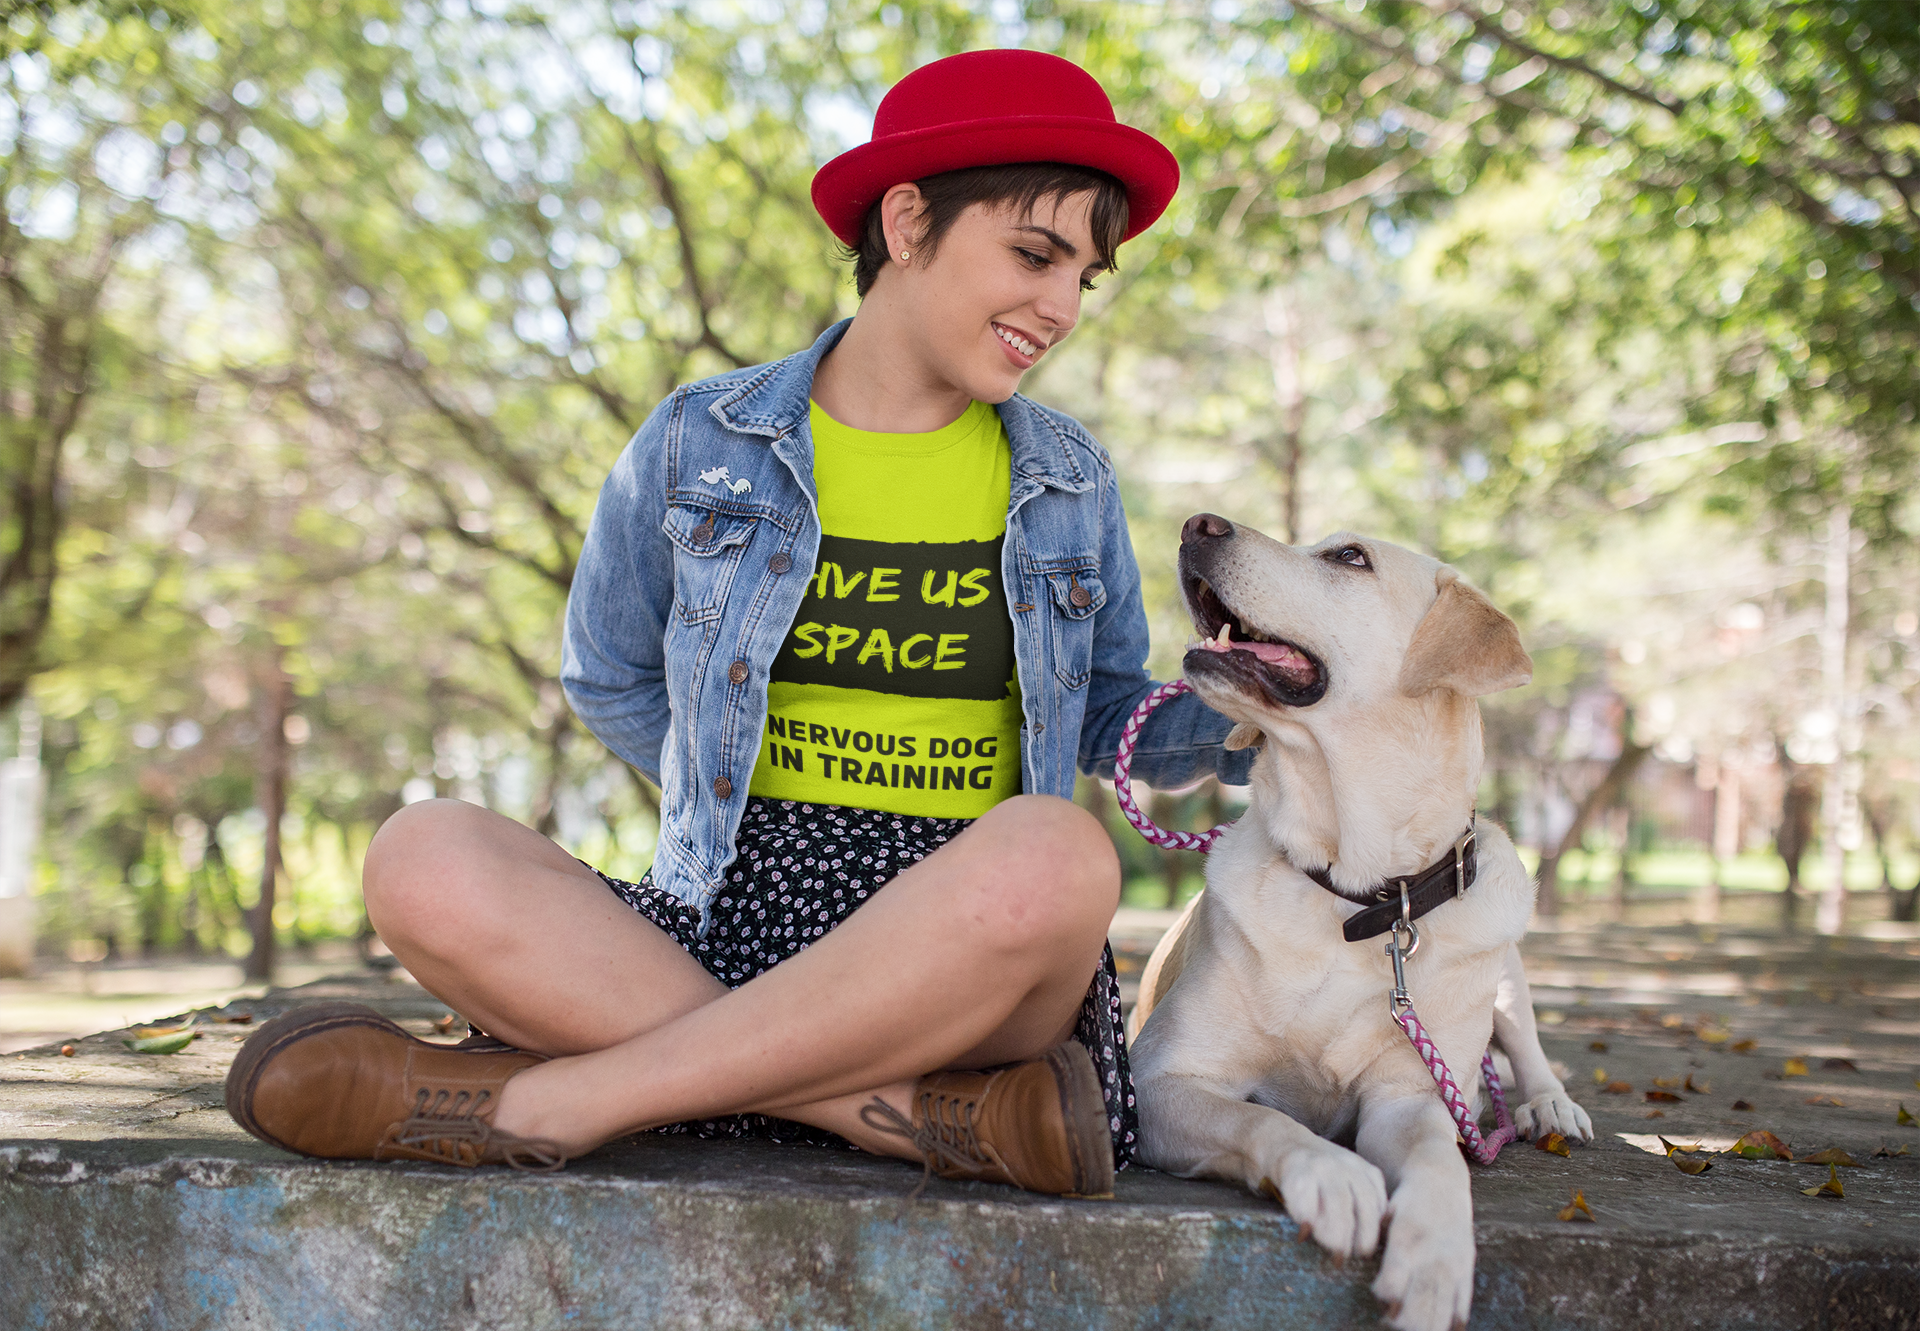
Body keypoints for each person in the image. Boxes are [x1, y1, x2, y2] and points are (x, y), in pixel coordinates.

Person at [223, 48, 1251, 1196]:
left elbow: (1111, 708)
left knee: (1060, 852)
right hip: (727, 898)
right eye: (1034, 254)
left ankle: (557, 1101)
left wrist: (1257, 717)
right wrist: (723, 790)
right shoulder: (698, 439)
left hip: (966, 931)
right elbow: (607, 670)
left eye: (1083, 278)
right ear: (907, 223)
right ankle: (918, 1119)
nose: (1060, 307)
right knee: (423, 854)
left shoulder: (1068, 478)